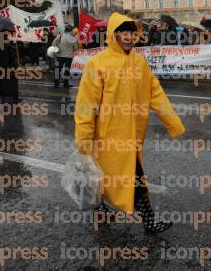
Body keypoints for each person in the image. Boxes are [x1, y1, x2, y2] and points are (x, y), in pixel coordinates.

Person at [74, 12, 185, 234]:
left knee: (115, 178)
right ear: (113, 35)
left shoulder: (139, 62)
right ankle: (149, 221)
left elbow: (156, 93)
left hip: (132, 137)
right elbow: (86, 106)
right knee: (133, 180)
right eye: (123, 32)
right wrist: (84, 142)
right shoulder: (97, 64)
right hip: (107, 139)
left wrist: (172, 121)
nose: (128, 37)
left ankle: (101, 208)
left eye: (131, 33)